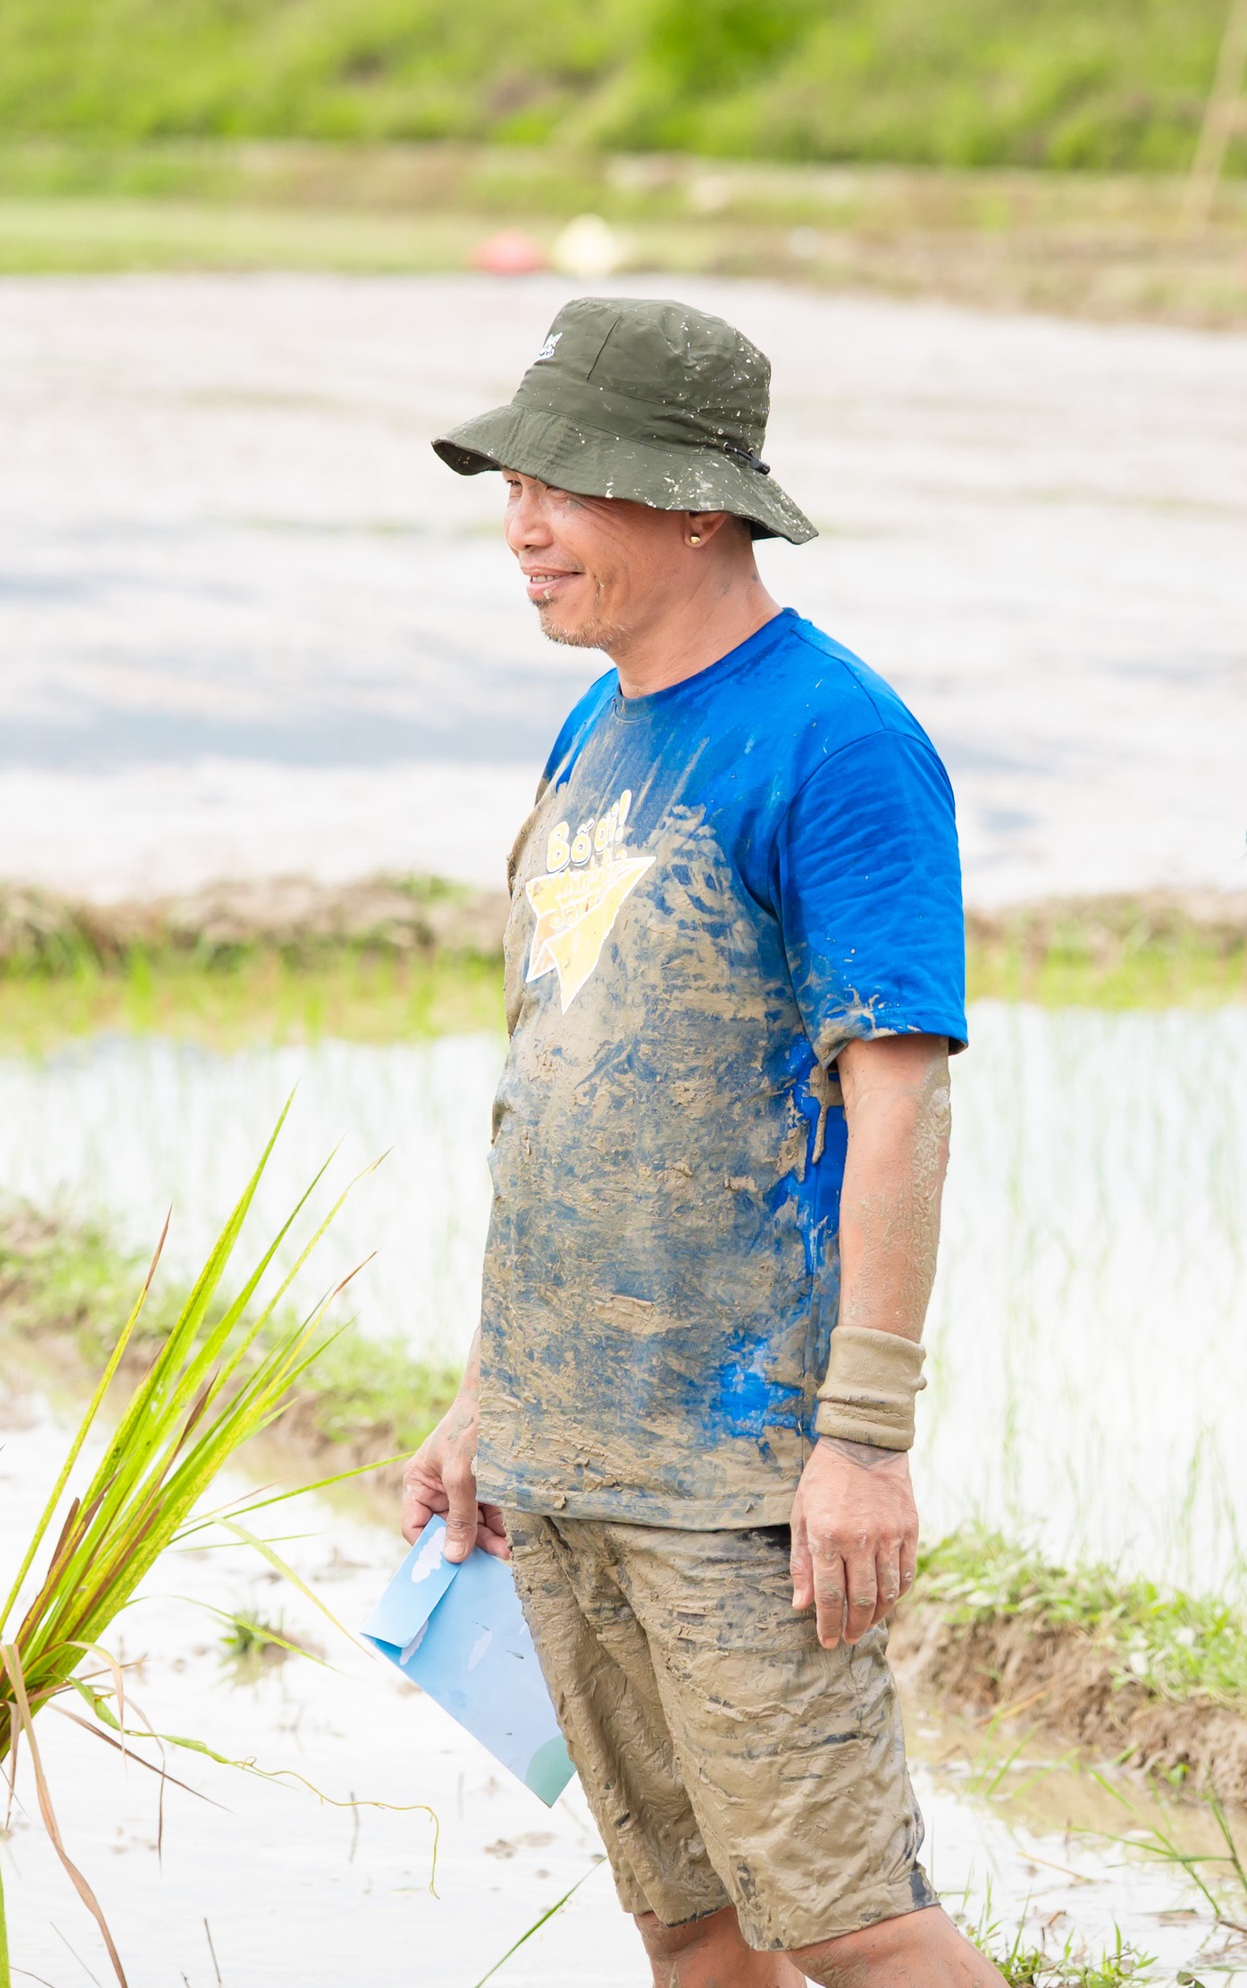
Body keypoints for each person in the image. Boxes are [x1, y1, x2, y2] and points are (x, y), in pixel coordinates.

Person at [401, 298, 999, 1988]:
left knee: (858, 1927)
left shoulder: (838, 742)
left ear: (693, 504)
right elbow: (567, 1097)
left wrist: (863, 1440)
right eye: (512, 482)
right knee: (694, 1927)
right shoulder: (597, 728)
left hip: (735, 1473)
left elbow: (900, 1097)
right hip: (567, 1451)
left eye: (565, 486)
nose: (522, 522)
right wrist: (485, 1395)